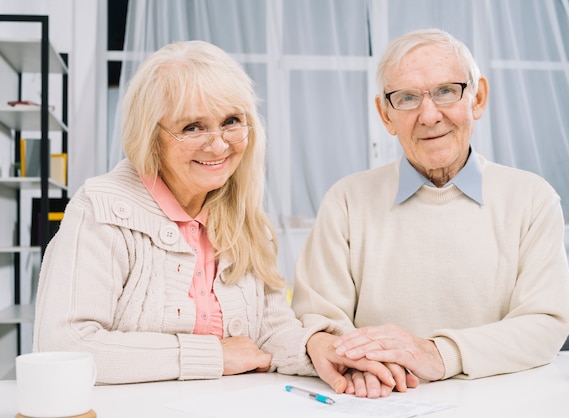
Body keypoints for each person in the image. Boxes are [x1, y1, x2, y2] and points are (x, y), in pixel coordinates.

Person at [33, 40, 396, 393]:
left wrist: (318, 347)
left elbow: (269, 332)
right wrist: (213, 356)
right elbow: (65, 346)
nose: (219, 144)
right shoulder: (100, 210)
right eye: (192, 127)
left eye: (231, 121)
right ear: (150, 135)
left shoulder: (245, 219)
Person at [292, 28, 569, 396]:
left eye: (446, 91)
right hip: (377, 401)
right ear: (386, 114)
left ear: (478, 98)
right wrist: (358, 361)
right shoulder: (346, 199)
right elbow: (318, 317)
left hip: (501, 402)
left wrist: (437, 353)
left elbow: (544, 324)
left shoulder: (533, 198)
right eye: (407, 98)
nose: (429, 115)